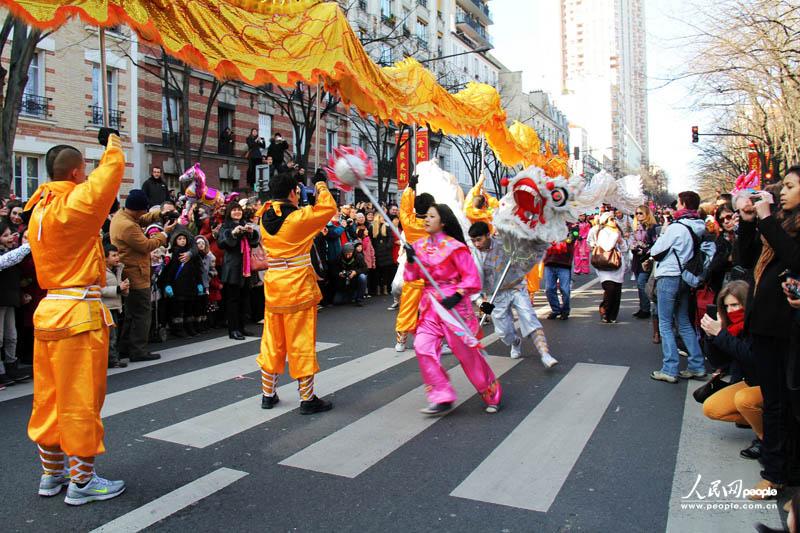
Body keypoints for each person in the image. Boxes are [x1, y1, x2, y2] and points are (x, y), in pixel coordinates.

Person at [25, 133, 126, 505]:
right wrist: (112, 142)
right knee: (81, 400)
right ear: (76, 172)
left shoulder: (38, 210)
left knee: (48, 399)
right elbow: (112, 171)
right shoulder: (73, 203)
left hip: (49, 311)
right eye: (84, 171)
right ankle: (82, 482)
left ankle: (52, 475)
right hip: (79, 314)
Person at [735, 167, 800, 498]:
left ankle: (780, 475)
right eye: (783, 186)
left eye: (790, 186)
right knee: (775, 404)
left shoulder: (787, 230)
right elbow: (744, 259)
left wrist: (767, 219)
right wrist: (748, 221)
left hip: (788, 331)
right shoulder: (779, 226)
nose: (783, 192)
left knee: (786, 406)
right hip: (765, 328)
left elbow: (795, 259)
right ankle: (778, 472)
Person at [405, 204, 502, 416]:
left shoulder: (455, 247)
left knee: (468, 355)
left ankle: (491, 392)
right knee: (422, 346)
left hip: (455, 308)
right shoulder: (418, 246)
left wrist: (457, 294)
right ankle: (442, 396)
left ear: (443, 222)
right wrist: (411, 260)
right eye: (425, 216)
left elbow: (472, 279)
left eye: (432, 216)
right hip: (430, 307)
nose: (426, 219)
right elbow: (411, 278)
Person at [256, 171, 337, 414]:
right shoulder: (299, 218)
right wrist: (321, 184)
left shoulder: (263, 216)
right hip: (298, 287)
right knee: (301, 342)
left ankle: (267, 394)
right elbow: (328, 208)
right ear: (293, 192)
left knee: (272, 340)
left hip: (274, 286)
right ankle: (307, 398)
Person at [469, 221, 558, 367]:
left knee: (529, 317)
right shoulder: (475, 256)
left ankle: (545, 354)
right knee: (504, 332)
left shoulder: (505, 242)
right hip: (495, 295)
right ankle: (515, 342)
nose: (477, 244)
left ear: (487, 235)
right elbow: (473, 281)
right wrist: (481, 303)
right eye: (473, 241)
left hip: (517, 287)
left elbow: (525, 249)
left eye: (479, 239)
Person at [649, 190, 708, 384]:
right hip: (686, 277)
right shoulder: (699, 226)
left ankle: (670, 368)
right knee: (683, 322)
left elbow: (656, 250)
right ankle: (697, 366)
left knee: (665, 323)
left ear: (683, 204)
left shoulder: (677, 227)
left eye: (678, 203)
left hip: (669, 276)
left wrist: (665, 230)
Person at [699, 280, 762, 459]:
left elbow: (751, 357)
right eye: (727, 307)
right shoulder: (729, 328)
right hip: (748, 381)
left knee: (744, 400)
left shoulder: (757, 324)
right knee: (712, 408)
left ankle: (766, 439)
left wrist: (721, 335)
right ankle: (763, 422)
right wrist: (711, 338)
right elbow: (719, 361)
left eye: (735, 304)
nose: (732, 311)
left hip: (768, 383)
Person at [111, 189, 175, 362]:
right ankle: (138, 350)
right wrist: (164, 234)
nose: (145, 213)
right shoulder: (128, 226)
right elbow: (147, 245)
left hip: (129, 270)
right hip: (136, 273)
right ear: (138, 209)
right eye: (144, 210)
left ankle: (125, 346)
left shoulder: (122, 216)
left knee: (132, 312)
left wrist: (159, 215)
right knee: (142, 312)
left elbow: (141, 218)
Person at [395, 175, 435, 352]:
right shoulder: (433, 224)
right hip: (432, 274)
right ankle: (439, 341)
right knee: (435, 310)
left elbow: (404, 207)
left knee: (407, 307)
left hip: (412, 273)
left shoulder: (408, 222)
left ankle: (401, 341)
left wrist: (410, 187)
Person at [218, 201, 260, 340]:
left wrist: (251, 232)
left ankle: (242, 327)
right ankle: (233, 329)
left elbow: (254, 243)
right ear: (229, 213)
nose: (237, 212)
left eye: (239, 210)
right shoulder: (225, 227)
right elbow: (223, 244)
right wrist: (234, 234)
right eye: (234, 210)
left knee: (244, 299)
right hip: (233, 268)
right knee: (232, 300)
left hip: (246, 268)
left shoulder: (244, 225)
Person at [0, 219, 31, 385]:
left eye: (9, 235)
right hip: (1, 300)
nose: (9, 238)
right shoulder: (6, 254)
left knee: (11, 336)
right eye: (4, 236)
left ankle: (11, 366)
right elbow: (6, 261)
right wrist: (28, 245)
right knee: (0, 337)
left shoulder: (9, 250)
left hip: (10, 300)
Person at [159, 227, 204, 337]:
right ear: (175, 241)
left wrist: (199, 284)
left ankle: (189, 327)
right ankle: (178, 329)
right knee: (178, 309)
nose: (182, 241)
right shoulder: (173, 255)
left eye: (184, 238)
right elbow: (169, 272)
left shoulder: (192, 256)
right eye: (179, 239)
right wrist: (168, 285)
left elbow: (197, 271)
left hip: (191, 285)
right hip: (178, 287)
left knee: (189, 308)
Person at [588, 212, 629, 323]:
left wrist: (621, 241)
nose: (614, 221)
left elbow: (624, 249)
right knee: (609, 288)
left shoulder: (617, 232)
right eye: (611, 219)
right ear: (605, 222)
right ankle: (604, 310)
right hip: (605, 264)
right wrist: (616, 236)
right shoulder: (602, 232)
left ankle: (613, 315)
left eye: (614, 219)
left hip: (617, 264)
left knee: (617, 291)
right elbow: (607, 247)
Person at [101, 244, 129, 369]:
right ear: (105, 258)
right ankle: (112, 359)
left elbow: (118, 287)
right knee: (111, 335)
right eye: (113, 255)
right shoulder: (101, 271)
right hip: (107, 307)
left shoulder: (117, 269)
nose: (117, 258)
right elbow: (100, 289)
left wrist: (124, 288)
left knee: (115, 334)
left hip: (116, 305)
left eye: (117, 255)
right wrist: (118, 288)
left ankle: (113, 357)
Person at [630, 205, 659, 319]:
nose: (638, 215)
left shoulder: (652, 227)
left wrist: (645, 250)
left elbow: (657, 244)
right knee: (639, 283)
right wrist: (633, 247)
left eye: (641, 213)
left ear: (647, 214)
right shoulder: (636, 227)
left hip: (647, 260)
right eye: (637, 213)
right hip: (637, 259)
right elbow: (633, 241)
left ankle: (647, 309)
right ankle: (643, 308)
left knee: (642, 283)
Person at [543, 226, 575, 320]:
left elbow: (571, 239)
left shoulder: (571, 229)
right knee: (549, 289)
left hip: (564, 264)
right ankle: (555, 310)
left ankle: (565, 311)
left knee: (565, 289)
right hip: (549, 263)